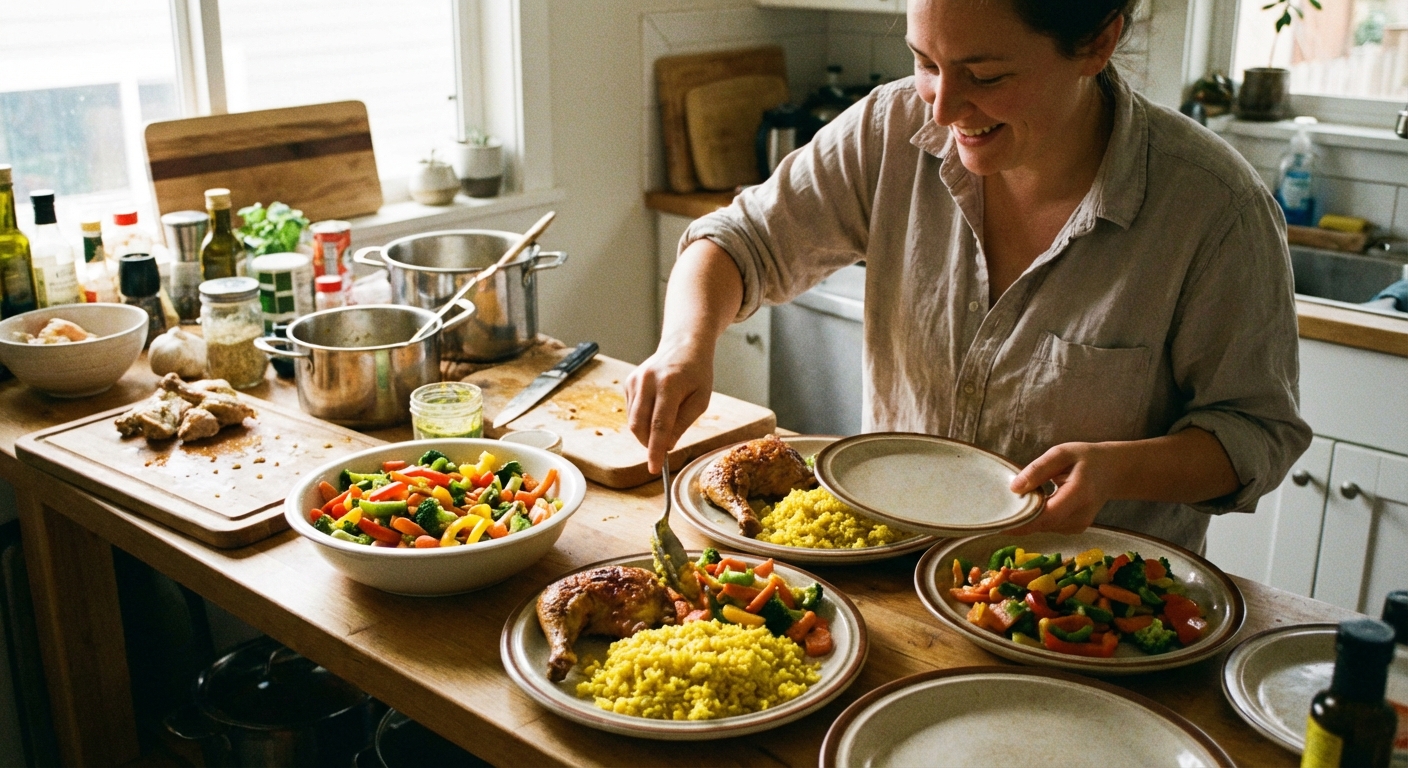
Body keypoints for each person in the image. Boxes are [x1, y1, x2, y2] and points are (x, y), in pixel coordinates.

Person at [625, 0, 1312, 552]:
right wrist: (685, 345)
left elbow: (1256, 434)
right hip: (896, 570)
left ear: (1098, 44)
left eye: (986, 77)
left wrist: (1118, 469)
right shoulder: (889, 128)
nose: (943, 108)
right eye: (925, 62)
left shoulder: (1214, 209)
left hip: (1088, 611)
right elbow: (737, 240)